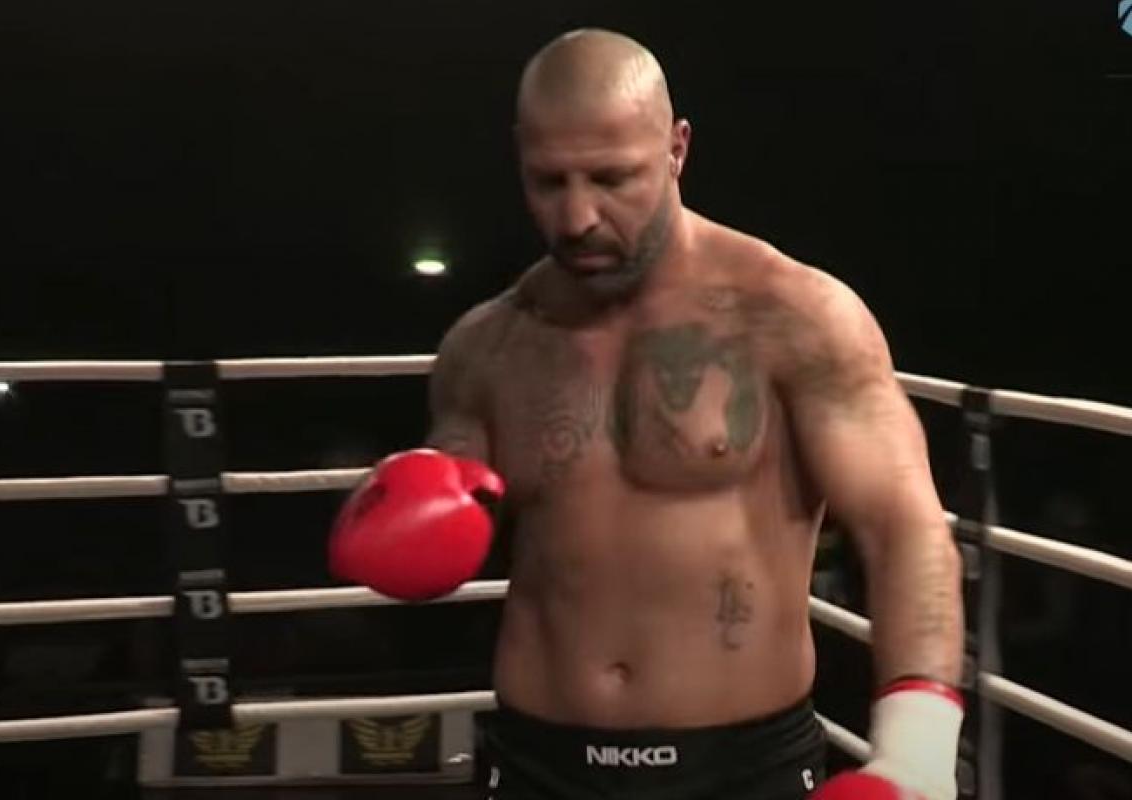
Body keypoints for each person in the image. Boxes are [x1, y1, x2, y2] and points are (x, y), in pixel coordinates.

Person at [329, 28, 965, 800]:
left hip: (740, 767)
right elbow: (451, 503)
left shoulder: (793, 316)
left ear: (676, 149)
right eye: (549, 182)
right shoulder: (486, 346)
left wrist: (917, 754)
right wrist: (410, 503)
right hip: (538, 762)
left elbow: (905, 529)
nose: (577, 217)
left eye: (611, 178)